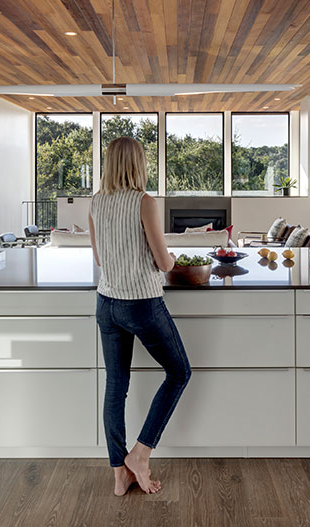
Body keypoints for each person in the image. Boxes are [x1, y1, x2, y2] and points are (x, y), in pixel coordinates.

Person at [88, 136, 191, 496]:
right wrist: (170, 258)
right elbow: (163, 263)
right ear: (139, 164)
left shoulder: (96, 202)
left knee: (116, 387)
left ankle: (120, 474)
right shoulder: (145, 202)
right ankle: (141, 454)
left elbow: (101, 259)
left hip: (107, 304)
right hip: (142, 304)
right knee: (179, 372)